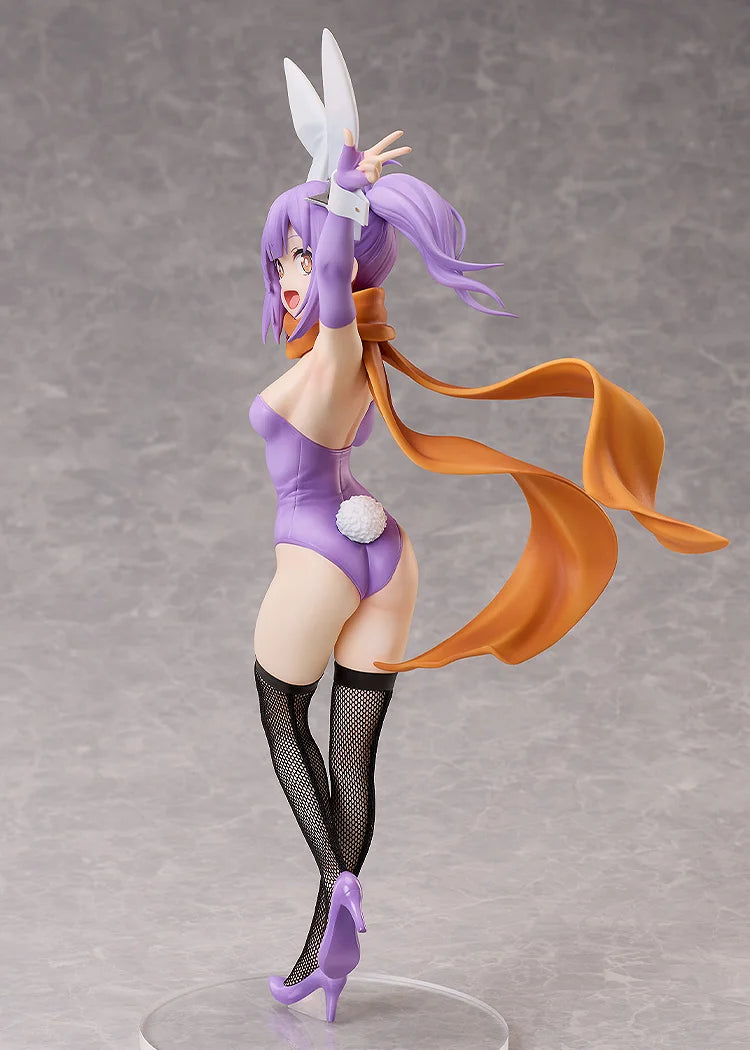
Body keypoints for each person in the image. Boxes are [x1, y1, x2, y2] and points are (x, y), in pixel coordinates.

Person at [249, 33, 728, 1023]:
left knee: (281, 715)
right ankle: (324, 955)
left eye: (301, 258)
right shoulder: (366, 361)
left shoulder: (337, 351)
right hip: (385, 553)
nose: (292, 275)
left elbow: (332, 292)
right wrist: (335, 205)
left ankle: (338, 886)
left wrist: (340, 205)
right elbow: (332, 297)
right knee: (352, 755)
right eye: (281, 259)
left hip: (319, 550)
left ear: (344, 262)